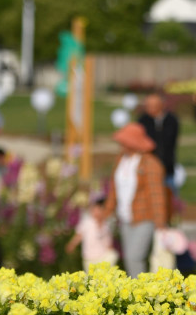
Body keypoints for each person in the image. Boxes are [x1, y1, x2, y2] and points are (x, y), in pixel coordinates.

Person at [102, 123, 169, 278]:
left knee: (134, 257)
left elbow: (156, 195)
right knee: (128, 258)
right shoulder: (121, 160)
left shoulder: (150, 163)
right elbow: (114, 189)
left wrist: (160, 222)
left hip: (144, 217)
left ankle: (140, 291)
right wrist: (107, 211)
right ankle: (136, 288)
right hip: (125, 217)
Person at [137, 92, 180, 191]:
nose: (149, 108)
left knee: (171, 199)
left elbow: (169, 141)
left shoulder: (171, 120)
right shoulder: (143, 121)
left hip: (167, 169)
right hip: (148, 170)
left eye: (153, 106)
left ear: (161, 105)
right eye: (147, 105)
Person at [65, 195, 118, 272]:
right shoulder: (87, 222)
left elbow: (108, 242)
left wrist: (110, 248)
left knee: (113, 256)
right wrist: (72, 244)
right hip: (89, 257)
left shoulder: (105, 225)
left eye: (100, 209)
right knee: (91, 275)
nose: (96, 212)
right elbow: (79, 235)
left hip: (102, 256)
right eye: (94, 209)